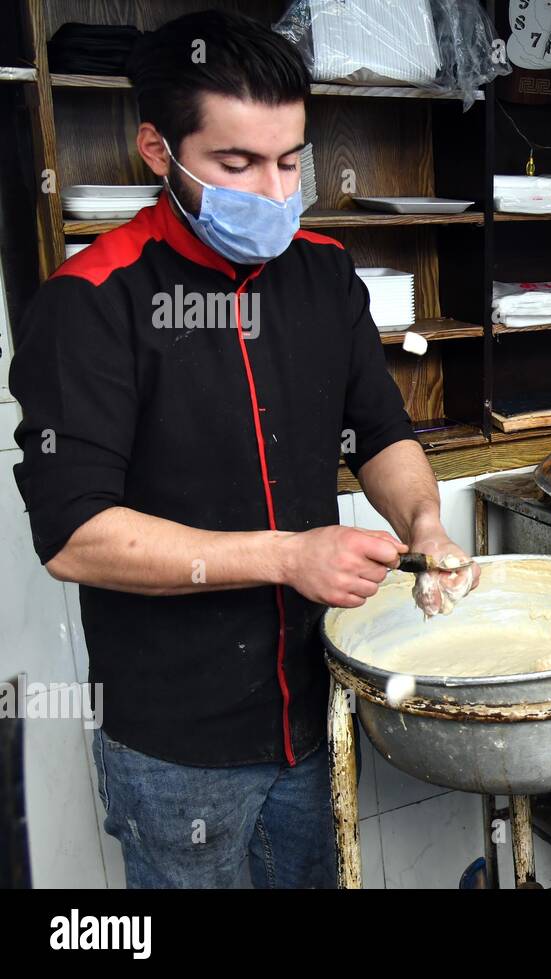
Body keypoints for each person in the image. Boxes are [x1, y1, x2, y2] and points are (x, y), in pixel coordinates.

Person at [8, 10, 477, 887]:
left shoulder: (323, 272)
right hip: (176, 746)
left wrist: (425, 522)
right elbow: (74, 535)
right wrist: (288, 555)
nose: (272, 191)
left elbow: (381, 433)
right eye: (236, 164)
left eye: (289, 161)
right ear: (158, 149)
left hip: (314, 710)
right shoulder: (89, 303)